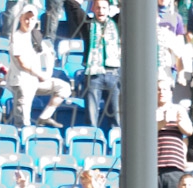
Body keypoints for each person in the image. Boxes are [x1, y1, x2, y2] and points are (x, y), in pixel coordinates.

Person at [8, 4, 72, 128]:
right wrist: (40, 74)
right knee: (23, 121)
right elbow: (22, 63)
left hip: (36, 80)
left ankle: (44, 117)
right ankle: (23, 134)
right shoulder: (16, 37)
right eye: (26, 18)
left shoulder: (35, 35)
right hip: (22, 81)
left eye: (32, 19)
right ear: (21, 19)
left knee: (64, 88)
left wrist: (48, 72)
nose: (29, 21)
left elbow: (48, 53)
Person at [63, 0, 122, 131]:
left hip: (113, 74)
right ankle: (92, 138)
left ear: (109, 9)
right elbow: (73, 5)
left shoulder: (116, 23)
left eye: (104, 8)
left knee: (116, 115)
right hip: (93, 75)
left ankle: (116, 139)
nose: (101, 11)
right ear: (93, 9)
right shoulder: (87, 24)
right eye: (98, 8)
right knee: (91, 115)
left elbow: (129, 9)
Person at [157, 77, 193, 188]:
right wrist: (163, 122)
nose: (161, 92)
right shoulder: (148, 110)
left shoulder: (178, 109)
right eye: (158, 89)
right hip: (153, 166)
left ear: (171, 93)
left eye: (164, 89)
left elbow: (189, 131)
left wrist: (179, 123)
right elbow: (145, 131)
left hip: (174, 165)